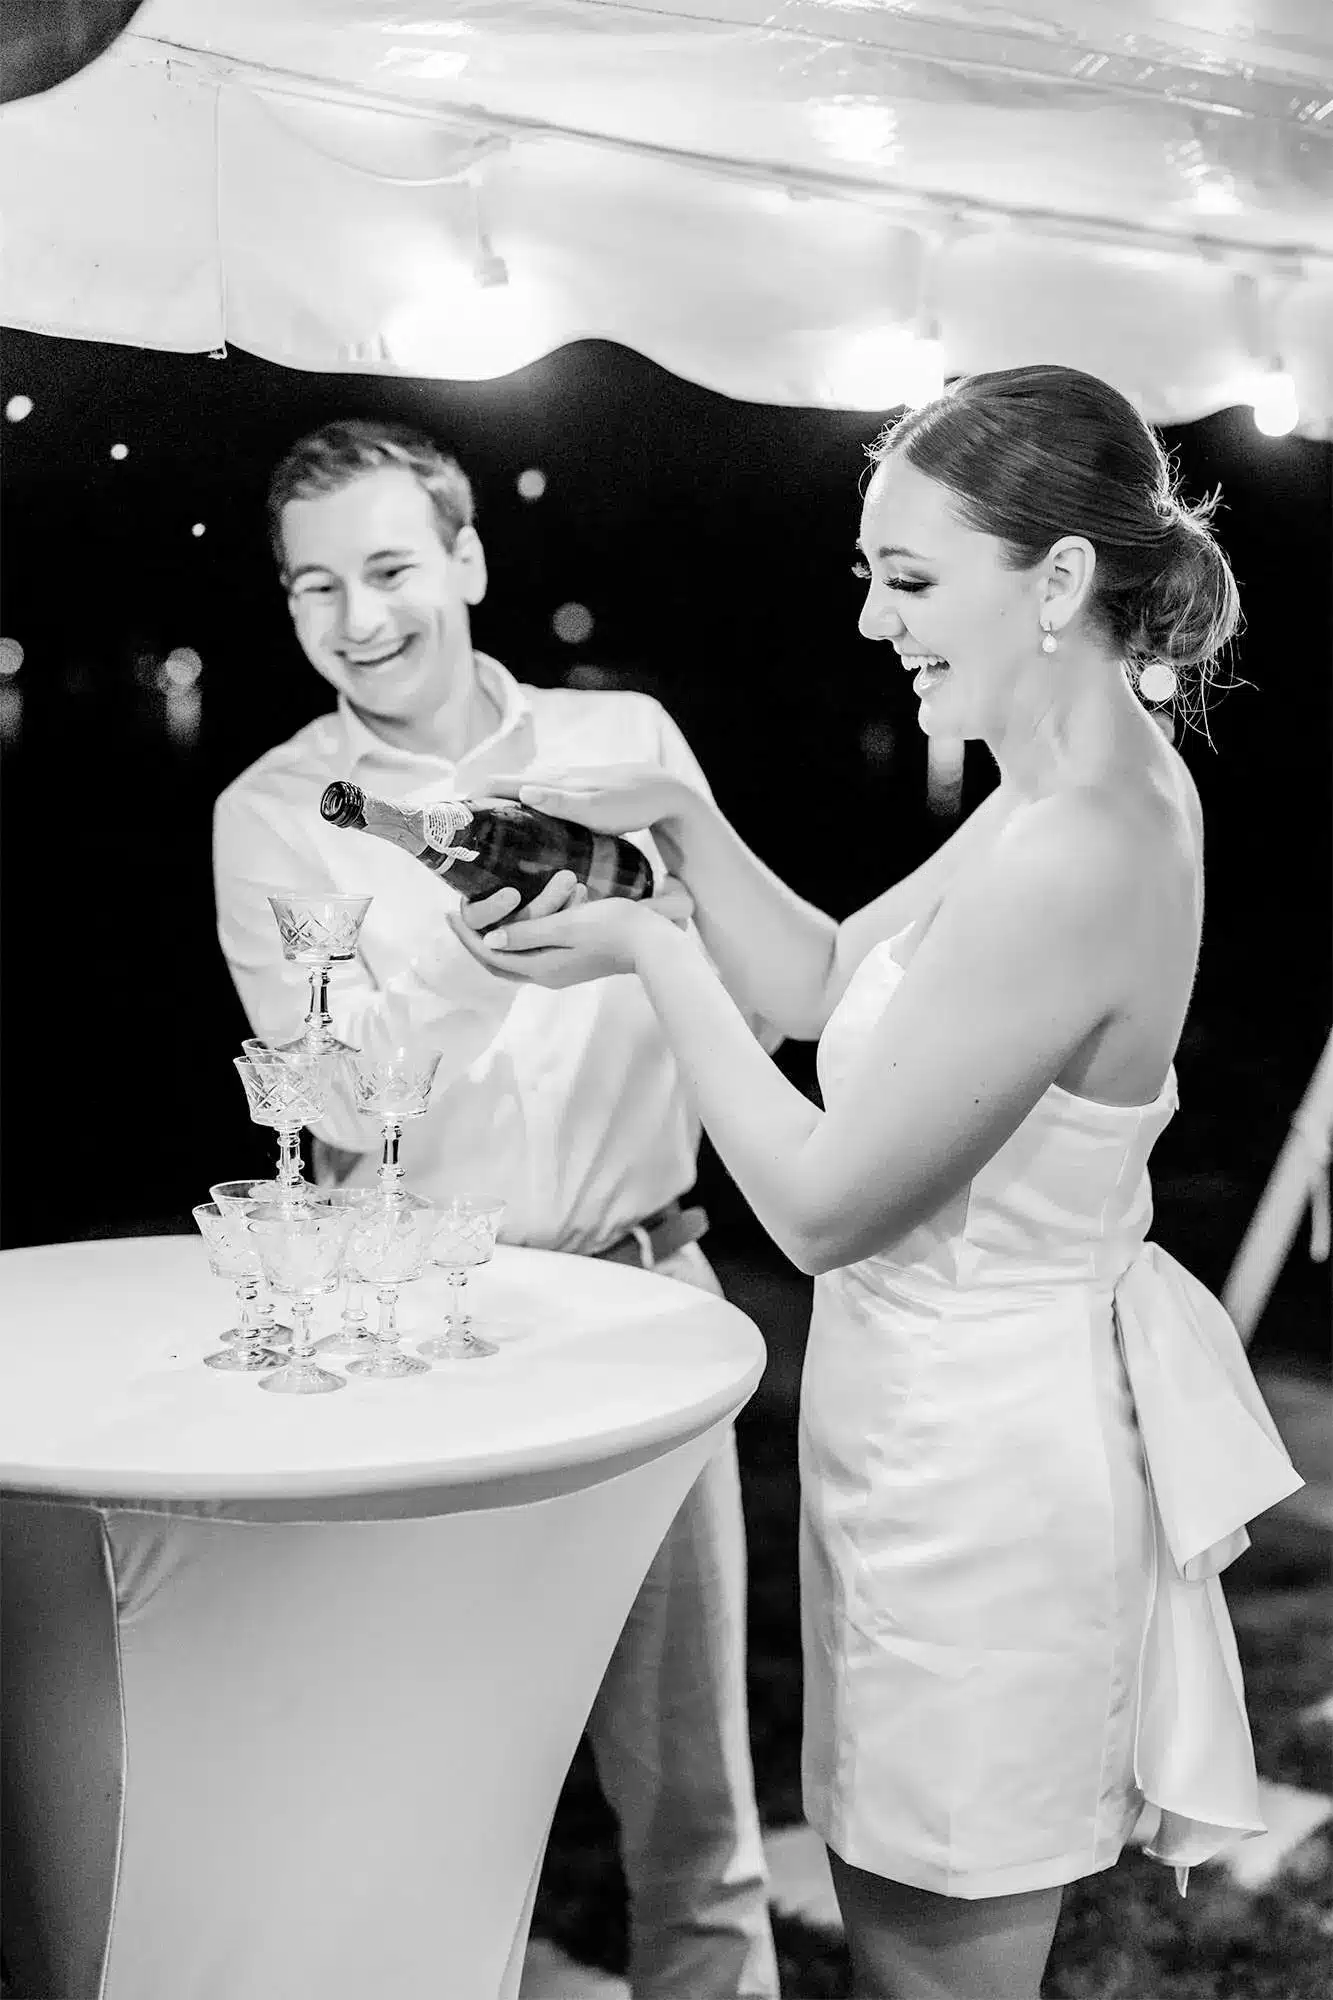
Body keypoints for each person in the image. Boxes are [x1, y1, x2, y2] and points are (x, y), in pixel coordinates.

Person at [451, 365, 1304, 2000]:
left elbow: (827, 1204)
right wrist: (686, 834)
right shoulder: (1049, 793)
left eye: (909, 580)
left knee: (936, 1963)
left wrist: (642, 949)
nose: (871, 622)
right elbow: (832, 980)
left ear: (1056, 580)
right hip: (916, 1435)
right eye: (869, 575)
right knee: (894, 1922)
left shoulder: (1089, 846)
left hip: (985, 1482)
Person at [211, 419, 782, 2000]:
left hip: (654, 1312)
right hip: (419, 1341)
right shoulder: (279, 815)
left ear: (465, 562)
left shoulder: (627, 744)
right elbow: (328, 1091)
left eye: (390, 566)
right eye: (313, 585)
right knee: (430, 1811)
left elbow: (743, 989)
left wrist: (653, 911)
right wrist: (448, 967)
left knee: (697, 1821)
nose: (357, 615)